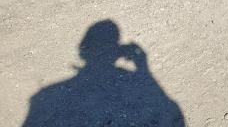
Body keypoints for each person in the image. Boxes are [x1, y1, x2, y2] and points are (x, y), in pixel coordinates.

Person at [22, 20, 184, 126]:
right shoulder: (45, 96)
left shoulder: (45, 96)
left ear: (82, 50)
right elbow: (171, 111)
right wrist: (143, 68)